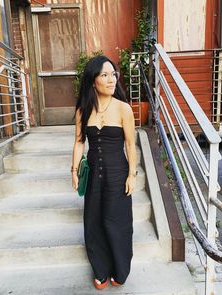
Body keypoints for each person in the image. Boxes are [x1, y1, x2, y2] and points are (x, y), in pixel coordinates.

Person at [71, 55, 137, 290]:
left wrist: (132, 174)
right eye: (105, 75)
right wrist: (74, 170)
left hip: (118, 174)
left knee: (117, 222)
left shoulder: (123, 109)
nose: (111, 80)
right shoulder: (83, 110)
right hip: (94, 175)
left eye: (113, 74)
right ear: (93, 80)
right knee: (94, 221)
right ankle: (100, 270)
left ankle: (120, 270)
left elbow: (130, 145)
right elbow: (80, 142)